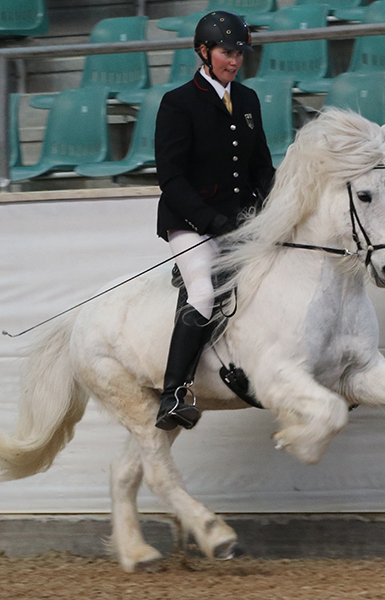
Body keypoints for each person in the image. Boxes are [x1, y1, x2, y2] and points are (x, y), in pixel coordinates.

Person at [153, 11, 275, 431]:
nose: (235, 60)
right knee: (203, 294)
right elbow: (170, 177)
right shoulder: (177, 103)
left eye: (240, 52)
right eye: (227, 52)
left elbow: (261, 167)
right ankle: (173, 395)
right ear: (204, 52)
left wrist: (273, 210)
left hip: (238, 220)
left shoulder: (247, 100)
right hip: (190, 220)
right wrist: (210, 220)